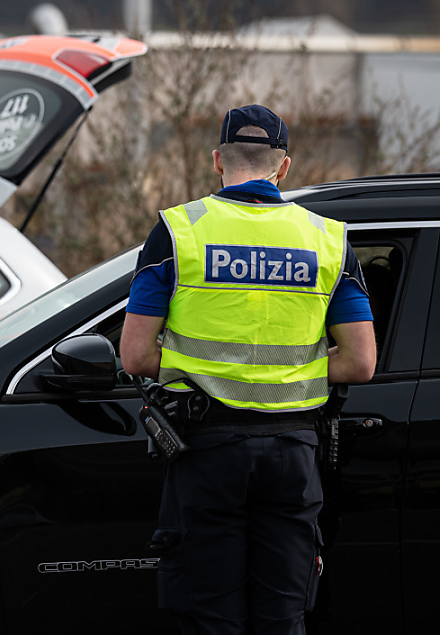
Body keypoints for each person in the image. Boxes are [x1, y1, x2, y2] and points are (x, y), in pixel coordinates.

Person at [120, 104, 377, 635]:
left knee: (214, 619)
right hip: (293, 455)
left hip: (206, 453)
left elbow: (136, 356)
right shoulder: (328, 240)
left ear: (218, 160)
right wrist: (293, 371)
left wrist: (208, 370)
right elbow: (360, 361)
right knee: (283, 618)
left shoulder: (178, 231)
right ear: (283, 168)